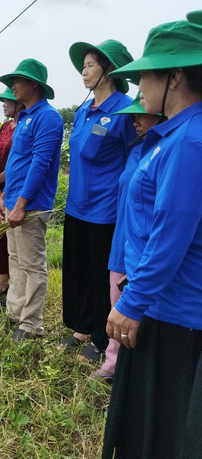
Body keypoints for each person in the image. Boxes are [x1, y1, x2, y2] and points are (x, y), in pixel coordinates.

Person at [101, 18, 202, 458]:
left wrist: (132, 301)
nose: (138, 85)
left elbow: (171, 233)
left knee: (159, 429)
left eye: (146, 75)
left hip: (171, 312)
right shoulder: (173, 135)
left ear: (175, 76)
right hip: (159, 303)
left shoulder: (189, 142)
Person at [60, 40, 138, 362]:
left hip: (106, 209)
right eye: (83, 65)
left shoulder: (125, 109)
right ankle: (80, 325)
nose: (84, 71)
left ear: (110, 70)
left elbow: (135, 158)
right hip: (76, 205)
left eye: (91, 64)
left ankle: (101, 338)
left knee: (99, 273)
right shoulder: (82, 110)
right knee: (77, 269)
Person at [95, 93, 164, 381]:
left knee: (139, 311)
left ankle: (130, 371)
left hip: (145, 246)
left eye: (141, 115)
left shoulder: (167, 149)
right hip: (122, 238)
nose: (134, 121)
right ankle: (113, 364)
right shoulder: (135, 149)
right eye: (132, 116)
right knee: (116, 301)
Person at [0, 59, 64, 341]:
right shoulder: (23, 117)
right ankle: (15, 312)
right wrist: (4, 198)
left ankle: (32, 324)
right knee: (16, 259)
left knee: (33, 264)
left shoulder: (48, 117)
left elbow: (40, 164)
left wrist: (22, 204)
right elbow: (16, 161)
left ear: (34, 84)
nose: (13, 86)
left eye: (18, 81)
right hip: (12, 198)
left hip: (31, 205)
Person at [0, 88, 24, 294]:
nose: (3, 104)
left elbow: (18, 163)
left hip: (13, 188)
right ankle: (2, 280)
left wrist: (1, 186)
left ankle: (14, 284)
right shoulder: (6, 127)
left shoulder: (23, 127)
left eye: (6, 100)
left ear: (18, 103)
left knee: (11, 237)